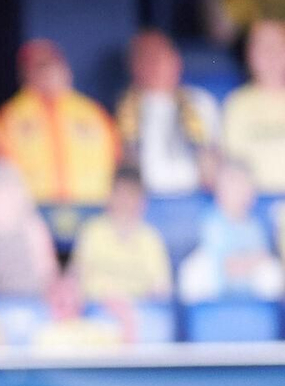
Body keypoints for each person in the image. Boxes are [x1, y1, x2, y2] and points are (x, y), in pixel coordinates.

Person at [0, 39, 118, 208]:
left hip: (90, 207)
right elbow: (2, 167)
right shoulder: (12, 116)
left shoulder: (93, 113)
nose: (47, 72)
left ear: (64, 67)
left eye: (50, 64)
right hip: (33, 210)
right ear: (25, 73)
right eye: (38, 66)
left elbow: (116, 158)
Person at [116, 30, 220, 198]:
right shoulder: (126, 109)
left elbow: (215, 157)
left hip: (196, 198)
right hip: (149, 201)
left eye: (160, 56)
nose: (155, 64)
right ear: (133, 67)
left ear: (176, 61)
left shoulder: (200, 101)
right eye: (145, 57)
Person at [178, 158, 283, 302]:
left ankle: (264, 317)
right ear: (220, 192)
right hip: (216, 283)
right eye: (234, 187)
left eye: (246, 187)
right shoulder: (212, 222)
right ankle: (202, 317)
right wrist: (247, 262)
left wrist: (247, 263)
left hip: (248, 282)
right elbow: (224, 264)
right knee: (193, 270)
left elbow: (262, 257)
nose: (241, 193)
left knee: (272, 272)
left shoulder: (255, 226)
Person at [69, 168, 173, 304]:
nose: (125, 201)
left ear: (142, 201)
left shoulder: (150, 239)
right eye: (121, 193)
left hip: (140, 312)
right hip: (97, 310)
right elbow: (75, 279)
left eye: (131, 195)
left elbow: (162, 288)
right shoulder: (93, 232)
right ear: (110, 196)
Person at [0, 163, 59, 299]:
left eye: (4, 194)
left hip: (36, 301)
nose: (0, 201)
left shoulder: (33, 226)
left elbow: (48, 271)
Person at [221, 19, 285, 196]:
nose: (271, 54)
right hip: (251, 206)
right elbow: (234, 166)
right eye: (262, 47)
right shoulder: (237, 104)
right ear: (250, 55)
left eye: (278, 46)